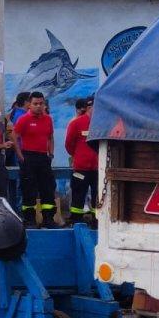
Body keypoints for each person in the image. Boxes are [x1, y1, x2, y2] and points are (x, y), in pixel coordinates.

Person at [14, 91, 58, 228]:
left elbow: (50, 137)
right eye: (35, 104)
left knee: (47, 189)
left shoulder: (48, 119)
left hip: (43, 158)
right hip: (28, 157)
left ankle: (49, 219)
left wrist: (51, 153)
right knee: (29, 190)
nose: (38, 106)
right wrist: (20, 155)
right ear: (29, 105)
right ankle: (30, 220)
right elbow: (14, 137)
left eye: (41, 103)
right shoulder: (23, 119)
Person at [65, 96, 98, 226]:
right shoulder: (77, 123)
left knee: (98, 194)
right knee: (78, 194)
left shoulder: (101, 124)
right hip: (81, 168)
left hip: (97, 168)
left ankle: (97, 220)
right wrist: (78, 156)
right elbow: (69, 144)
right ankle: (76, 220)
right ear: (89, 108)